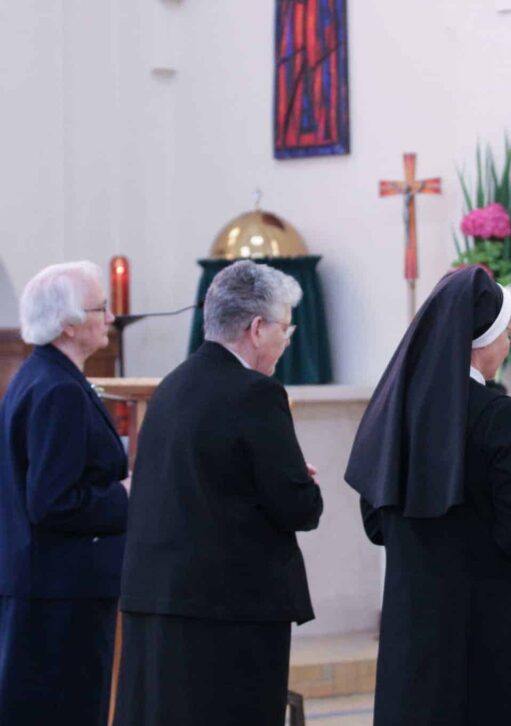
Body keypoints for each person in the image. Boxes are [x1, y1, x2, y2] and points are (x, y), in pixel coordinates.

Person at [114, 260, 323, 726]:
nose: (286, 342)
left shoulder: (170, 387)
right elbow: (298, 508)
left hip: (158, 603)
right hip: (229, 615)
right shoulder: (257, 393)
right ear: (256, 328)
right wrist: (303, 483)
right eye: (284, 329)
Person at [346, 265, 511, 726]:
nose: (508, 346)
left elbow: (376, 524)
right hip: (482, 627)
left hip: (409, 624)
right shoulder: (499, 415)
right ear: (483, 342)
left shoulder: (395, 409)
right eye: (509, 335)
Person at [0, 261, 129, 725]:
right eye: (100, 308)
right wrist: (126, 494)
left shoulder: (41, 375)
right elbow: (53, 501)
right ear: (69, 324)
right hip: (61, 595)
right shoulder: (58, 390)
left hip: (47, 585)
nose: (109, 318)